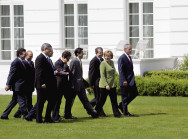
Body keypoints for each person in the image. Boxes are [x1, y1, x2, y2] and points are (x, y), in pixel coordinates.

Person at [69, 48, 98, 118]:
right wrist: (72, 84)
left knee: (85, 99)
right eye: (82, 53)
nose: (83, 54)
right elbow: (71, 74)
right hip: (75, 85)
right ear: (78, 54)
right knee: (71, 100)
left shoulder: (79, 61)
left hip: (80, 85)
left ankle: (92, 112)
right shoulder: (74, 61)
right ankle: (67, 114)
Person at [0, 48, 28, 120]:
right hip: (17, 85)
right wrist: (8, 84)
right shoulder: (15, 62)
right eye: (24, 54)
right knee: (22, 101)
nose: (25, 55)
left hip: (22, 85)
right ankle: (26, 115)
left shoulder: (23, 62)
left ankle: (4, 115)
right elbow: (11, 74)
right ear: (19, 54)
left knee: (14, 101)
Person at [35, 43, 59, 123]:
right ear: (45, 50)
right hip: (43, 85)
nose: (52, 52)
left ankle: (48, 118)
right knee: (41, 102)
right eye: (51, 51)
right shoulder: (40, 58)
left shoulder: (48, 59)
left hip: (50, 84)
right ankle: (39, 120)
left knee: (52, 101)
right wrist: (42, 83)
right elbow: (39, 72)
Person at [95, 50, 121, 118]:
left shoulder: (112, 62)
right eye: (106, 56)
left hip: (112, 85)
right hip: (104, 86)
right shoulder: (103, 64)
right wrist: (106, 85)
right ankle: (95, 112)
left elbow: (113, 73)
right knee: (102, 101)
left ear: (111, 57)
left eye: (108, 56)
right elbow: (102, 75)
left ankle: (117, 114)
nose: (107, 57)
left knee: (114, 100)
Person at [52, 51, 77, 121]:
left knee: (69, 98)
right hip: (59, 85)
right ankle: (55, 116)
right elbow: (61, 71)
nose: (68, 60)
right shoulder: (58, 62)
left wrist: (71, 84)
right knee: (58, 101)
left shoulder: (64, 63)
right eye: (67, 59)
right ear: (63, 57)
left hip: (66, 85)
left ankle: (67, 114)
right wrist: (65, 66)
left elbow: (69, 73)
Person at [118, 44, 138, 116]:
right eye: (129, 49)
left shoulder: (129, 57)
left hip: (131, 81)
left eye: (131, 49)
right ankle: (125, 112)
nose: (131, 50)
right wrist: (124, 80)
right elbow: (121, 70)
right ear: (125, 49)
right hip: (125, 81)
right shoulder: (122, 58)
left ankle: (121, 105)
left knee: (134, 93)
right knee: (125, 97)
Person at [14, 50, 35, 118]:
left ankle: (17, 114)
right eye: (30, 56)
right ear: (26, 56)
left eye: (32, 56)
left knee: (28, 100)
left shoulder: (32, 63)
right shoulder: (23, 63)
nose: (31, 57)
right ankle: (30, 114)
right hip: (25, 85)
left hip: (30, 84)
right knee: (27, 101)